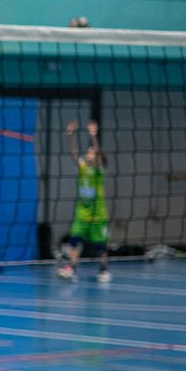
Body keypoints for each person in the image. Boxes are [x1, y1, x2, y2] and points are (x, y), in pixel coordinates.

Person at [57, 120, 110, 284]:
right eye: (88, 151)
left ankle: (104, 269)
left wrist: (94, 137)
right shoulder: (83, 168)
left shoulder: (99, 171)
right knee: (74, 240)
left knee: (100, 246)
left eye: (91, 152)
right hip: (82, 214)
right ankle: (72, 269)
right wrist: (70, 135)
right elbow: (74, 153)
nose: (89, 153)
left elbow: (100, 156)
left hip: (98, 215)